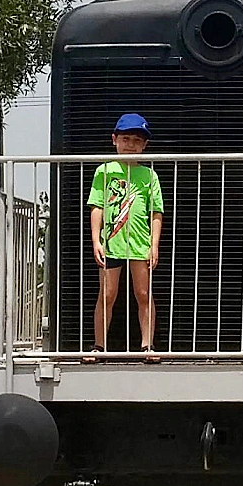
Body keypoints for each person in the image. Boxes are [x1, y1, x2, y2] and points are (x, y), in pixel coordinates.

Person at [85, 113, 163, 362]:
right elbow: (96, 206)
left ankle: (147, 346)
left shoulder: (149, 176)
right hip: (111, 243)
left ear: (145, 145)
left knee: (143, 293)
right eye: (126, 138)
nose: (131, 144)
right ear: (115, 140)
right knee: (107, 294)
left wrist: (154, 245)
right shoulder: (104, 170)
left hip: (140, 243)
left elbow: (156, 212)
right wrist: (96, 240)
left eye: (137, 140)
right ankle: (98, 345)